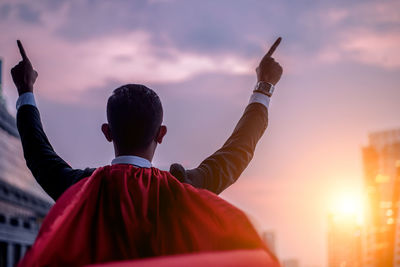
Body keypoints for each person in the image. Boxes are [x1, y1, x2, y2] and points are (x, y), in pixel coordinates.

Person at [11, 38, 283, 266]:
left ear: (107, 132)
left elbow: (39, 155)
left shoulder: (85, 189)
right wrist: (264, 87)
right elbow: (237, 153)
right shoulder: (181, 189)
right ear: (161, 134)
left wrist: (25, 90)